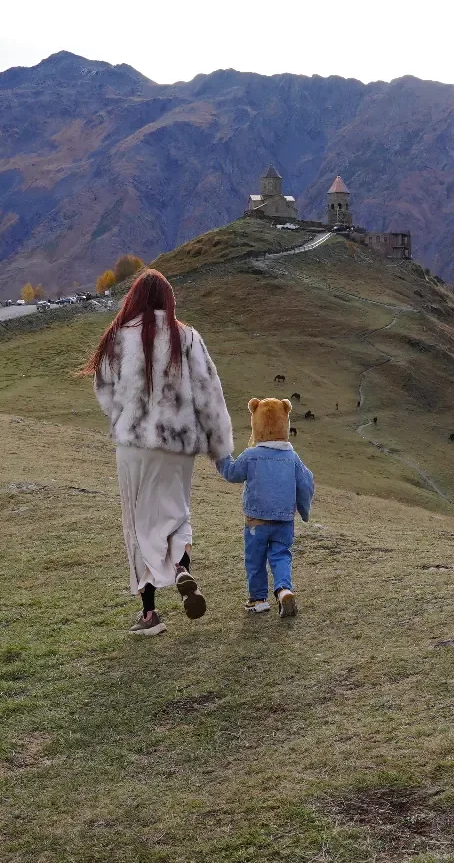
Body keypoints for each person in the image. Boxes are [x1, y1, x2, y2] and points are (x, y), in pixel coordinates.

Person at [83, 267, 234, 635]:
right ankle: (182, 569)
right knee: (176, 515)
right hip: (177, 446)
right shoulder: (188, 338)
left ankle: (149, 615)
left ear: (133, 299)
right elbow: (209, 395)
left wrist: (125, 417)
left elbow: (104, 390)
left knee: (138, 524)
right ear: (169, 301)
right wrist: (220, 448)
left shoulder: (118, 337)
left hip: (134, 447)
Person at [215, 397, 315, 617]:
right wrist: (304, 511)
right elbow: (306, 483)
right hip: (284, 521)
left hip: (256, 522)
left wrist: (220, 454)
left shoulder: (251, 456)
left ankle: (258, 599)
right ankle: (283, 590)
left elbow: (232, 473)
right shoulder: (292, 457)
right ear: (285, 419)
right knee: (281, 555)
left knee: (256, 559)